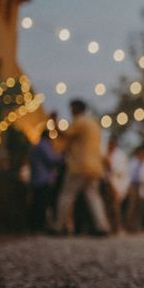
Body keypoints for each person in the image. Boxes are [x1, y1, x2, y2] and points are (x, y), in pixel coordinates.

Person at [54, 99, 110, 235]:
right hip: (94, 166)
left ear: (77, 109)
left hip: (79, 165)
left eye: (72, 108)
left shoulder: (79, 122)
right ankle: (102, 227)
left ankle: (58, 226)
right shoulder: (93, 123)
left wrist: (54, 121)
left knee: (67, 195)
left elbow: (64, 135)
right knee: (93, 197)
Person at [29, 130, 62, 232]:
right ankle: (40, 225)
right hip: (44, 179)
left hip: (36, 178)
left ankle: (34, 226)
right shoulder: (44, 145)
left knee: (37, 202)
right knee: (42, 204)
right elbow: (51, 159)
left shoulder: (36, 145)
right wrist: (62, 156)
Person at [104, 136, 130, 233]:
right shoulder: (107, 153)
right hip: (107, 182)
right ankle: (109, 226)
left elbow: (120, 171)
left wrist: (109, 165)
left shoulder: (120, 156)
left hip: (117, 184)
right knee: (108, 206)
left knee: (115, 207)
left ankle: (116, 227)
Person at [125, 148, 144, 232]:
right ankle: (129, 226)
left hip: (141, 185)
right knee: (132, 206)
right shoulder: (132, 163)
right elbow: (129, 175)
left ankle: (137, 226)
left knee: (140, 206)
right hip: (133, 184)